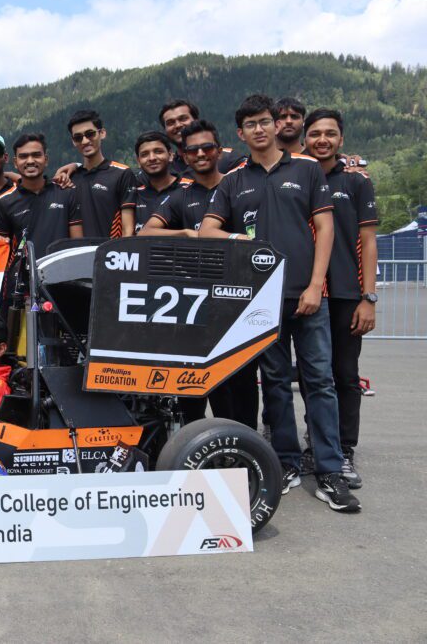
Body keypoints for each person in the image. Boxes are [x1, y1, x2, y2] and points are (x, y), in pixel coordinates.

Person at [200, 94, 360, 513]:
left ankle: (328, 469)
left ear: (276, 125)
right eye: (251, 123)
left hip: (307, 297)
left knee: (320, 383)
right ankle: (286, 463)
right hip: (260, 301)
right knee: (273, 385)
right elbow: (207, 231)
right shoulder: (233, 179)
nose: (259, 129)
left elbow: (325, 228)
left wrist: (315, 285)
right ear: (241, 133)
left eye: (265, 121)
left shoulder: (306, 169)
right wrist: (240, 238)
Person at [140, 119, 259, 429]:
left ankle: (244, 450)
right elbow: (146, 233)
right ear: (184, 155)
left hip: (239, 301)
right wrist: (185, 234)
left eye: (207, 147)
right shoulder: (181, 195)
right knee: (193, 389)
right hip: (193, 307)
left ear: (219, 150)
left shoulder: (240, 185)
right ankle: (195, 449)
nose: (201, 154)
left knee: (242, 385)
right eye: (193, 150)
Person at [304, 108, 378, 488]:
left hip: (348, 294)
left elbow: (367, 240)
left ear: (341, 140)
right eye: (315, 133)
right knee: (313, 375)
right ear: (304, 138)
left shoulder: (356, 180)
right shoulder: (297, 176)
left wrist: (369, 298)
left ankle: (345, 450)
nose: (322, 140)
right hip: (307, 292)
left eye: (329, 134)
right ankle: (315, 444)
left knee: (345, 375)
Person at [0, 133, 83, 254]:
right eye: (23, 156)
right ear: (15, 162)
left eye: (36, 155)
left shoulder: (66, 193)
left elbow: (78, 245)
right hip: (25, 272)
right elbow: (2, 248)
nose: (30, 161)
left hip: (63, 270)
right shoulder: (4, 202)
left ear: (46, 160)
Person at [64, 110, 136, 239]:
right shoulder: (69, 178)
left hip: (109, 255)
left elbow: (128, 230)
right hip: (77, 256)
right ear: (73, 141)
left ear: (102, 133)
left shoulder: (122, 174)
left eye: (90, 134)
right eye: (78, 137)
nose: (85, 141)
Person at [157, 99, 244, 175]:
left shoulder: (228, 159)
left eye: (183, 119)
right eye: (170, 123)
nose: (177, 125)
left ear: (196, 120)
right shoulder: (166, 171)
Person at [129, 131, 191, 233]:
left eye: (158, 152)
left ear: (170, 155)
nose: (152, 158)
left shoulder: (189, 188)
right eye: (145, 154)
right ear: (138, 161)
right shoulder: (134, 195)